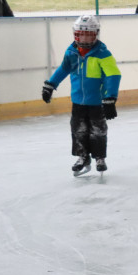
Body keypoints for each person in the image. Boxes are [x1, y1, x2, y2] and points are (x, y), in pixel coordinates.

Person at [41, 15, 121, 176]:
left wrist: (110, 98)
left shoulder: (102, 54)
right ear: (76, 34)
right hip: (78, 101)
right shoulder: (71, 52)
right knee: (78, 130)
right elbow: (63, 69)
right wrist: (51, 84)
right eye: (81, 34)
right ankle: (82, 157)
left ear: (95, 34)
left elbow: (113, 75)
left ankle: (99, 157)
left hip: (97, 102)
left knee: (98, 130)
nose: (84, 37)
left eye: (89, 34)